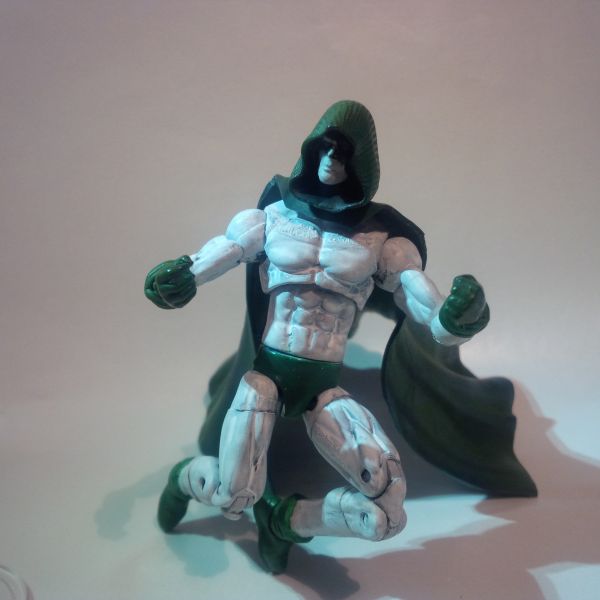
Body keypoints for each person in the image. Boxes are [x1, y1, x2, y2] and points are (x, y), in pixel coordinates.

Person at [144, 100, 536, 573]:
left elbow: (425, 309)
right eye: (326, 148)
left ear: (362, 164)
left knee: (386, 507)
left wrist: (455, 320)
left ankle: (286, 523)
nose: (332, 160)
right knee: (235, 494)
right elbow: (218, 253)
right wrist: (180, 278)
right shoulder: (272, 217)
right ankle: (185, 479)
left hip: (323, 390)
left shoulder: (382, 241)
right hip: (266, 375)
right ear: (310, 150)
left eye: (344, 153)